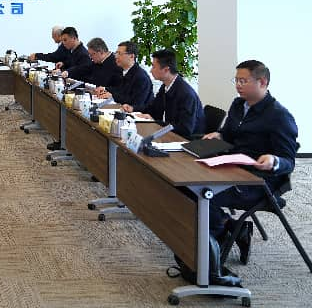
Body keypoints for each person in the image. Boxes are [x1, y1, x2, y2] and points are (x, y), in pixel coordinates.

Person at [203, 60, 298, 262]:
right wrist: (219, 136)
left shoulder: (279, 116)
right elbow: (228, 134)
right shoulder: (238, 105)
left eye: (243, 81)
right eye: (236, 80)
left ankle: (218, 239)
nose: (238, 85)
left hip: (258, 181)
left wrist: (274, 160)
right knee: (185, 187)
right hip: (232, 168)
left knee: (202, 194)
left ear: (262, 82)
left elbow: (288, 161)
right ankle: (233, 227)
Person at [121, 49, 204, 139]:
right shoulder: (166, 86)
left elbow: (185, 129)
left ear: (166, 69)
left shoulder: (186, 94)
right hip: (170, 135)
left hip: (187, 141)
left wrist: (155, 122)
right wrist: (133, 108)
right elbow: (153, 109)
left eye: (154, 67)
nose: (151, 70)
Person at [95, 40, 154, 108]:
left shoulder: (141, 77)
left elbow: (135, 103)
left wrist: (112, 96)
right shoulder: (123, 71)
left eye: (119, 53)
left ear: (131, 56)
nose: (116, 56)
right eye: (116, 53)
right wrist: (105, 89)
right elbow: (119, 90)